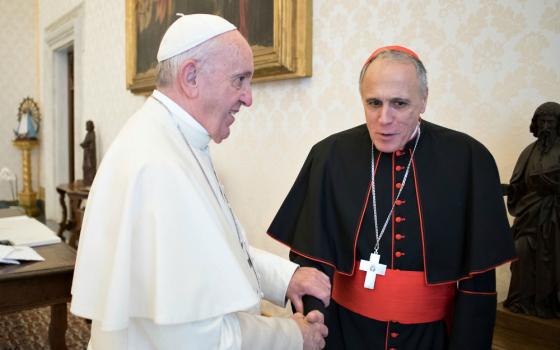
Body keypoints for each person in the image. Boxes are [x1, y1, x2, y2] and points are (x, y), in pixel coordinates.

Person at [71, 14, 330, 350]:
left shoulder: (175, 138)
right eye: (239, 80)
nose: (248, 98)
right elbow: (200, 338)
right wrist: (295, 335)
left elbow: (216, 251)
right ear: (191, 76)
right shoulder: (158, 166)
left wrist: (286, 279)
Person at [267, 45, 516, 349]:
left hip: (433, 338)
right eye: (374, 103)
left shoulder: (468, 159)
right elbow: (311, 263)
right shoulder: (330, 156)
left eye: (399, 103)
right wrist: (317, 333)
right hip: (345, 333)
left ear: (423, 100)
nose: (384, 118)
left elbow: (479, 283)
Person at [504, 101, 560, 319]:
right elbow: (518, 184)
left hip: (555, 219)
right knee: (521, 253)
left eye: (551, 122)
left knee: (552, 263)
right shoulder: (529, 151)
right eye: (542, 122)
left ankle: (548, 303)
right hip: (529, 217)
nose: (546, 126)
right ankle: (520, 300)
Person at [80, 120, 97, 187]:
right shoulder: (88, 134)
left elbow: (90, 145)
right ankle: (87, 181)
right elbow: (86, 142)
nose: (86, 127)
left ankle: (90, 182)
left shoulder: (92, 134)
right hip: (86, 154)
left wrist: (84, 145)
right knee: (85, 167)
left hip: (90, 156)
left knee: (90, 168)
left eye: (87, 125)